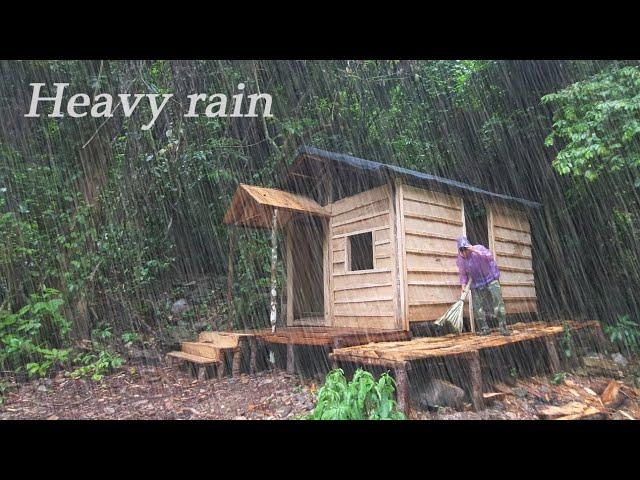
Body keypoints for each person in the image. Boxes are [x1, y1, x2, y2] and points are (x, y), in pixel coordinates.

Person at [455, 236, 510, 336]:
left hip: (490, 278)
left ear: (468, 247)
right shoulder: (461, 260)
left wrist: (474, 250)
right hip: (476, 283)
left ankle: (503, 326)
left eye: (465, 249)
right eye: (461, 250)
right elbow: (463, 274)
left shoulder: (478, 248)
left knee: (497, 301)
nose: (464, 253)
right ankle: (484, 328)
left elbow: (489, 256)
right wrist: (463, 285)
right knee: (477, 307)